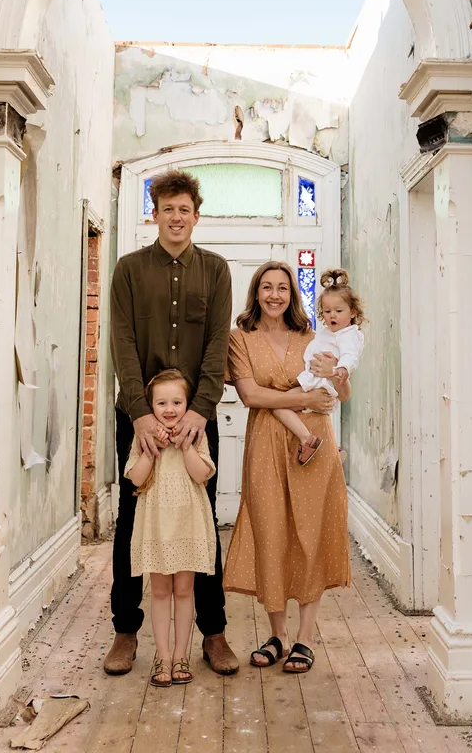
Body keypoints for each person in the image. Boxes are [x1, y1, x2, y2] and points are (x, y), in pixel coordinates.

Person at [104, 169, 238, 677]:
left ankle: (215, 632)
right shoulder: (129, 270)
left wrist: (201, 412)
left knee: (202, 521)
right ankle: (125, 630)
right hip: (140, 421)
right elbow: (122, 342)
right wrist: (139, 412)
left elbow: (216, 347)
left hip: (197, 419)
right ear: (153, 214)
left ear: (196, 216)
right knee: (132, 520)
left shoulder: (217, 270)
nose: (176, 217)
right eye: (167, 209)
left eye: (185, 209)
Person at [223, 261, 351, 675]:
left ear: (293, 295)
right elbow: (251, 395)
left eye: (283, 288)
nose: (275, 295)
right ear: (256, 293)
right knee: (271, 530)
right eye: (267, 287)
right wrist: (304, 401)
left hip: (314, 445)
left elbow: (340, 393)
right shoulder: (240, 339)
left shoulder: (315, 337)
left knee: (310, 532)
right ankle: (277, 634)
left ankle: (305, 639)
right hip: (265, 444)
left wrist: (338, 378)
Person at [125, 370, 216, 687]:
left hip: (187, 524)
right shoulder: (144, 438)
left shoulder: (195, 436)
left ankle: (181, 656)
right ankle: (162, 658)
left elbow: (202, 474)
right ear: (151, 407)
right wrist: (153, 450)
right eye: (161, 402)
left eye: (177, 401)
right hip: (157, 527)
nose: (169, 408)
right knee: (161, 591)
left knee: (184, 590)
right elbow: (136, 479)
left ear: (187, 404)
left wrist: (185, 445)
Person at [273, 268, 365, 465]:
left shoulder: (349, 335)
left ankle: (308, 440)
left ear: (353, 313)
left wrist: (341, 369)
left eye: (339, 311)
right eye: (327, 311)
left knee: (278, 406)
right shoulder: (325, 332)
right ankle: (332, 448)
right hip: (315, 381)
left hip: (321, 384)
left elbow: (350, 355)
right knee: (292, 409)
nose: (333, 316)